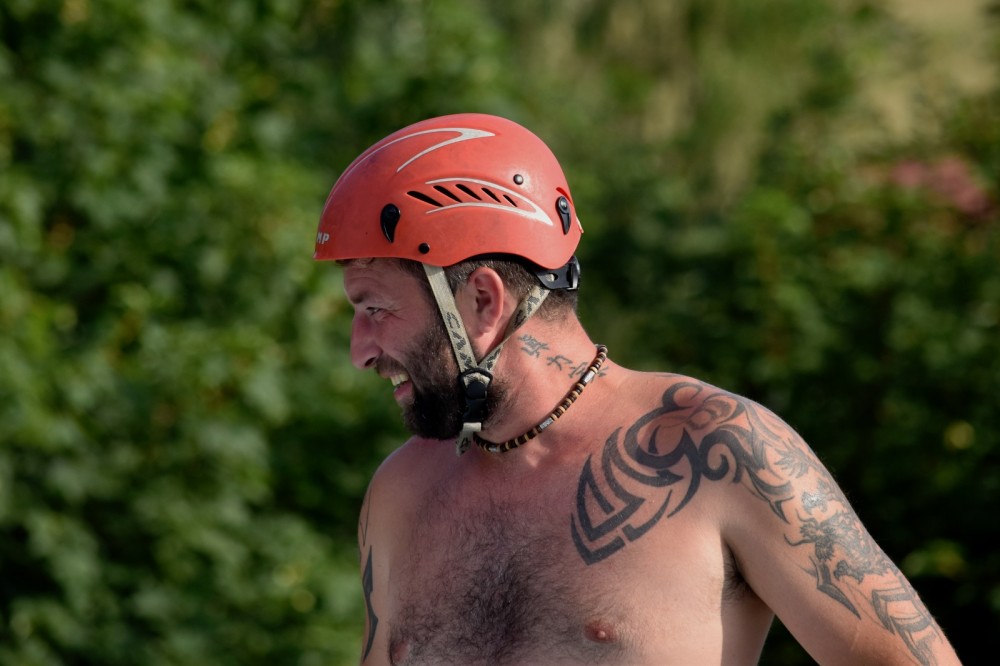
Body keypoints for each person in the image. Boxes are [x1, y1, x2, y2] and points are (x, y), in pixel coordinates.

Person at [314, 113, 962, 665]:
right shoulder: (403, 493)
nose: (360, 350)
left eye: (375, 308)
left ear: (482, 301)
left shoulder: (717, 449)